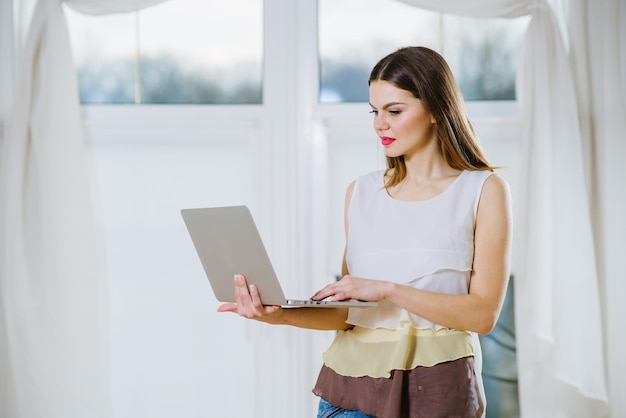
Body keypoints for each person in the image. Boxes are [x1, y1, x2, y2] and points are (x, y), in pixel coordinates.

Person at [218, 46, 512, 418]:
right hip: (349, 395)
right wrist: (277, 314)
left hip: (438, 393)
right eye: (375, 111)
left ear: (437, 110)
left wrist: (389, 290)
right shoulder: (360, 192)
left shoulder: (484, 190)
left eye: (394, 111)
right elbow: (349, 315)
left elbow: (483, 315)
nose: (379, 124)